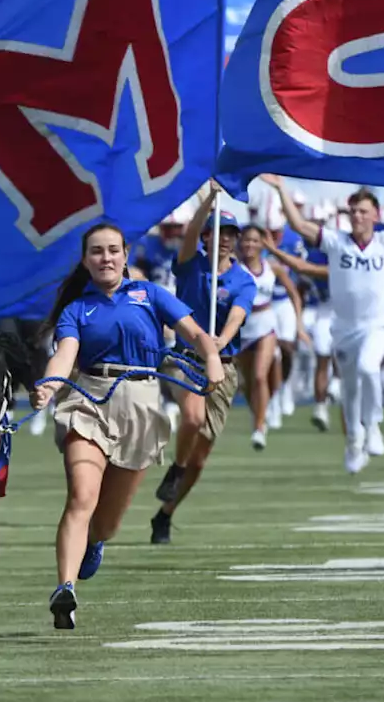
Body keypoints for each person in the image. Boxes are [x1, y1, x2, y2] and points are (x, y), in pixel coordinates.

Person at [31, 223, 224, 630]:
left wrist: (212, 359)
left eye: (113, 250)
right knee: (81, 497)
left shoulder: (150, 294)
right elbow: (66, 354)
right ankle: (64, 589)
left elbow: (196, 334)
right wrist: (49, 384)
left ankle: (96, 542)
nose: (106, 258)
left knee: (107, 522)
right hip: (88, 397)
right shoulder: (76, 309)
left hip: (141, 401)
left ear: (125, 255)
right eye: (97, 251)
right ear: (85, 260)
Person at [273, 179, 384, 472]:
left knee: (368, 368)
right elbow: (299, 225)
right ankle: (353, 442)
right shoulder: (336, 241)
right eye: (353, 212)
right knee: (350, 390)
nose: (357, 217)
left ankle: (373, 425)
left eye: (363, 211)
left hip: (377, 325)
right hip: (343, 328)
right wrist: (280, 190)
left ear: (376, 215)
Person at [151, 185, 255, 543]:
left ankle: (165, 514)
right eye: (217, 233)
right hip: (184, 359)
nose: (224, 240)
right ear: (207, 236)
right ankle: (175, 470)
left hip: (222, 366)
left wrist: (221, 342)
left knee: (200, 460)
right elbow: (190, 234)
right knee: (192, 418)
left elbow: (237, 316)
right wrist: (208, 201)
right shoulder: (190, 265)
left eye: (230, 235)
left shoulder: (243, 279)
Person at [235, 224, 300, 447]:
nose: (250, 244)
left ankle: (259, 428)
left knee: (261, 376)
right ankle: (260, 414)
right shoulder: (233, 269)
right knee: (247, 382)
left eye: (255, 240)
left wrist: (298, 324)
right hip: (241, 329)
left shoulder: (273, 268)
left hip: (266, 325)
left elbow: (294, 294)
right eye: (246, 240)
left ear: (263, 243)